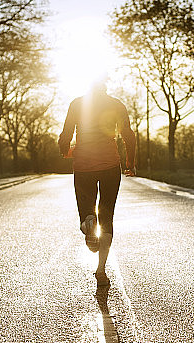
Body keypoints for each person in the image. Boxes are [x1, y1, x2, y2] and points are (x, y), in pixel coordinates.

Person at [58, 77, 136, 287]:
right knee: (107, 215)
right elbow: (128, 136)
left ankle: (88, 224)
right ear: (105, 86)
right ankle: (101, 269)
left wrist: (65, 151)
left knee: (86, 212)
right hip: (110, 166)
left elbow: (65, 135)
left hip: (83, 166)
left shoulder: (77, 104)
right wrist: (130, 163)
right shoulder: (116, 104)